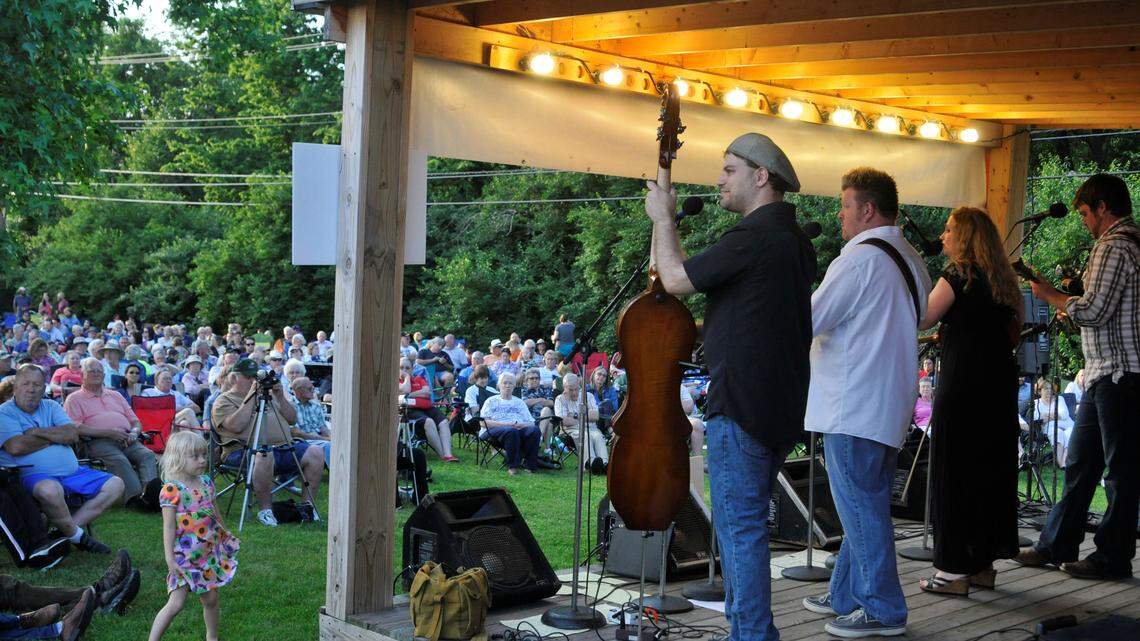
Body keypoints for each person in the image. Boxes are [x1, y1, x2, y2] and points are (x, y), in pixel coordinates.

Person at [644, 132, 815, 641]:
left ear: (761, 177)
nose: (719, 179)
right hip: (780, 402)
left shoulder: (753, 236)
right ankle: (747, 628)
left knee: (740, 531)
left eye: (729, 170)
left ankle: (753, 635)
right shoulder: (795, 240)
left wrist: (662, 218)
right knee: (745, 529)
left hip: (741, 403)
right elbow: (753, 313)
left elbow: (673, 279)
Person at [803, 167, 931, 637]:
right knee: (867, 504)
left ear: (867, 210)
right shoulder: (910, 257)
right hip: (888, 400)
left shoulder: (857, 261)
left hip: (851, 403)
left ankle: (882, 610)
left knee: (861, 509)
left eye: (845, 205)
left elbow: (811, 318)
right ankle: (844, 594)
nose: (839, 214)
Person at [1016, 175, 1139, 581]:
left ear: (1103, 207)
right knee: (1083, 462)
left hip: (1118, 372)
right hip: (1110, 372)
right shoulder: (1134, 242)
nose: (1085, 221)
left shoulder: (1113, 245)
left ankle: (1111, 557)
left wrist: (1050, 294)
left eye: (1086, 212)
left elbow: (1095, 311)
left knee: (1116, 471)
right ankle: (1057, 542)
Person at [914, 206, 1022, 596]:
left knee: (955, 471)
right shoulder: (1002, 281)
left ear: (965, 237)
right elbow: (1012, 334)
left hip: (963, 385)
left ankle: (953, 571)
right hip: (996, 386)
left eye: (948, 230)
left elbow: (924, 317)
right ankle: (982, 565)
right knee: (987, 470)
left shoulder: (959, 274)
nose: (942, 236)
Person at [0, 364, 123, 553]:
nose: (31, 390)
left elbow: (72, 435)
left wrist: (36, 433)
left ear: (44, 387)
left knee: (116, 485)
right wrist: (55, 438)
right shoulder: (5, 412)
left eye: (37, 385)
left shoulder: (50, 405)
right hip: (34, 475)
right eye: (26, 384)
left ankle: (63, 532)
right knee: (49, 491)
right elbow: (16, 447)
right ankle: (79, 537)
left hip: (73, 471)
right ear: (15, 387)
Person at [148, 432, 240, 641]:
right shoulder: (172, 490)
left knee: (211, 599)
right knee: (176, 604)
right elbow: (169, 527)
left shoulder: (207, 483)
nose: (202, 460)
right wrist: (170, 558)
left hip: (206, 553)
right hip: (183, 557)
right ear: (178, 459)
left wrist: (225, 534)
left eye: (203, 455)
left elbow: (214, 512)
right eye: (195, 456)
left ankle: (212, 637)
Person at [212, 359, 322, 527]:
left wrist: (280, 396)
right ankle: (266, 511)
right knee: (264, 453)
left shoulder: (269, 396)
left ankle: (308, 508)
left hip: (283, 448)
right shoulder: (224, 400)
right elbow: (235, 426)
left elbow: (292, 419)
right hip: (242, 452)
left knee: (315, 451)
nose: (253, 381)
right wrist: (251, 396)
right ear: (234, 378)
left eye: (254, 377)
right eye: (248, 377)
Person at [64, 358, 159, 508]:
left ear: (103, 375)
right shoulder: (74, 399)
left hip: (127, 439)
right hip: (97, 441)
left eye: (99, 371)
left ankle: (150, 496)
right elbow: (75, 427)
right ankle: (135, 499)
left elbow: (135, 421)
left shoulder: (115, 395)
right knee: (119, 459)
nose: (96, 373)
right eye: (91, 371)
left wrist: (134, 433)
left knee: (147, 455)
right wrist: (108, 433)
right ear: (82, 376)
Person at [478, 373, 541, 475]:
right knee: (511, 431)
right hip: (493, 431)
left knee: (534, 430)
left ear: (514, 386)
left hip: (517, 429)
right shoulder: (491, 401)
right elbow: (483, 423)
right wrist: (505, 424)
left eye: (510, 383)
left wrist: (521, 425)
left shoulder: (519, 402)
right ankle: (512, 466)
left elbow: (531, 423)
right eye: (505, 383)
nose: (507, 386)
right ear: (499, 385)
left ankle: (530, 466)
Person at [397, 358, 457, 462]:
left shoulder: (419, 379)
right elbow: (405, 390)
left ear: (412, 369)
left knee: (444, 422)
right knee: (429, 422)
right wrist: (407, 378)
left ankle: (448, 454)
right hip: (410, 410)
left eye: (407, 368)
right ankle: (442, 455)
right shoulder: (397, 381)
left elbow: (427, 392)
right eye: (401, 368)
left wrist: (408, 395)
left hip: (428, 408)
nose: (404, 370)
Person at [554, 373, 608, 475]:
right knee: (585, 435)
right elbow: (564, 421)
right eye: (571, 390)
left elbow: (595, 416)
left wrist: (574, 415)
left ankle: (605, 464)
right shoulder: (560, 399)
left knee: (598, 436)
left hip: (591, 428)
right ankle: (590, 464)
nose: (574, 392)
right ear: (564, 388)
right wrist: (585, 416)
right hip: (570, 430)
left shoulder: (588, 396)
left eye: (576, 389)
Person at [289, 376, 331, 466]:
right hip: (301, 441)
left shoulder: (315, 406)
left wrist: (331, 437)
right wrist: (325, 439)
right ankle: (338, 476)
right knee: (328, 445)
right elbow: (297, 434)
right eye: (310, 389)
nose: (314, 391)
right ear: (299, 391)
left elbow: (323, 428)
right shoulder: (290, 407)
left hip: (318, 439)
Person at [1033, 379, 1075, 467]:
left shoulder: (1059, 399)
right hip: (1050, 427)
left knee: (1069, 433)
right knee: (1058, 433)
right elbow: (1037, 418)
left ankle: (1064, 461)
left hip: (1067, 425)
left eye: (1050, 388)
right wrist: (1056, 415)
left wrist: (1046, 415)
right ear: (1039, 391)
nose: (1049, 391)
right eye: (1045, 389)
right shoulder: (1036, 403)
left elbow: (1064, 414)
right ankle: (1061, 464)